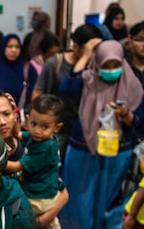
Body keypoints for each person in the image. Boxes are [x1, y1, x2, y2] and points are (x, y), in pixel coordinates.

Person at [59, 39, 144, 229]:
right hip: (83, 150)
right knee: (80, 202)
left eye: (115, 64)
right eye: (105, 65)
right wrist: (86, 53)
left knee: (105, 203)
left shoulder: (131, 83)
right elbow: (66, 87)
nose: (110, 70)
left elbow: (139, 121)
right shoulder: (87, 80)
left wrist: (125, 114)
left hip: (117, 153)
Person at [33, 24, 105, 158]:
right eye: (90, 50)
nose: (92, 54)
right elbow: (37, 93)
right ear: (76, 47)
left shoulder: (95, 66)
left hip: (83, 130)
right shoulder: (55, 63)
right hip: (57, 129)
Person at [15, 95, 67, 229]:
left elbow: (16, 166)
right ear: (27, 120)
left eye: (44, 126)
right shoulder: (39, 138)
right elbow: (19, 134)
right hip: (42, 194)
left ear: (57, 127)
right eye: (34, 124)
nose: (37, 131)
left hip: (39, 199)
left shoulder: (44, 147)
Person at [0, 33, 38, 110]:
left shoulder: (27, 68)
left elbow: (34, 93)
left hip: (20, 114)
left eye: (17, 47)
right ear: (3, 48)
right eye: (10, 46)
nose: (14, 50)